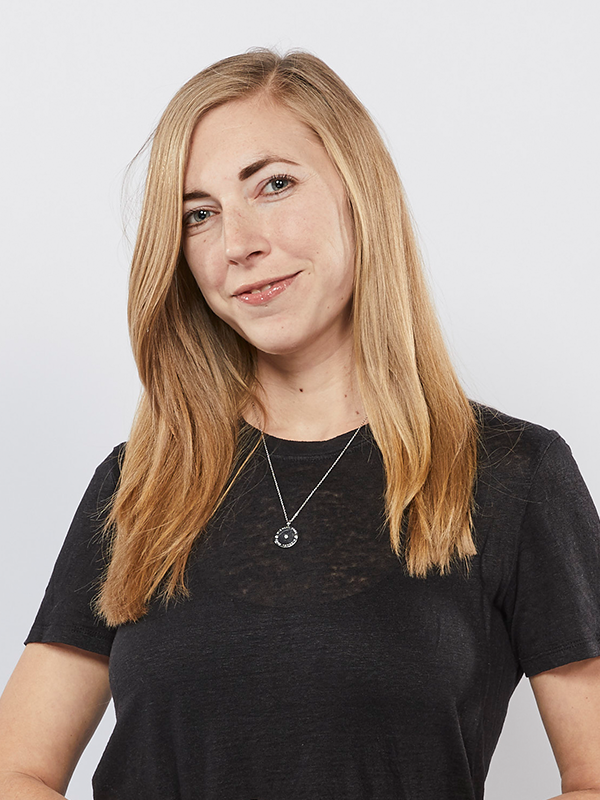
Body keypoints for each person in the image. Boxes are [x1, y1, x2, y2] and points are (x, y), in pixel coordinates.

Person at [0, 48, 599, 800]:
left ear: (358, 191)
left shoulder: (513, 473)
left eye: (274, 184)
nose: (237, 244)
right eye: (199, 215)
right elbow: (17, 771)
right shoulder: (141, 484)